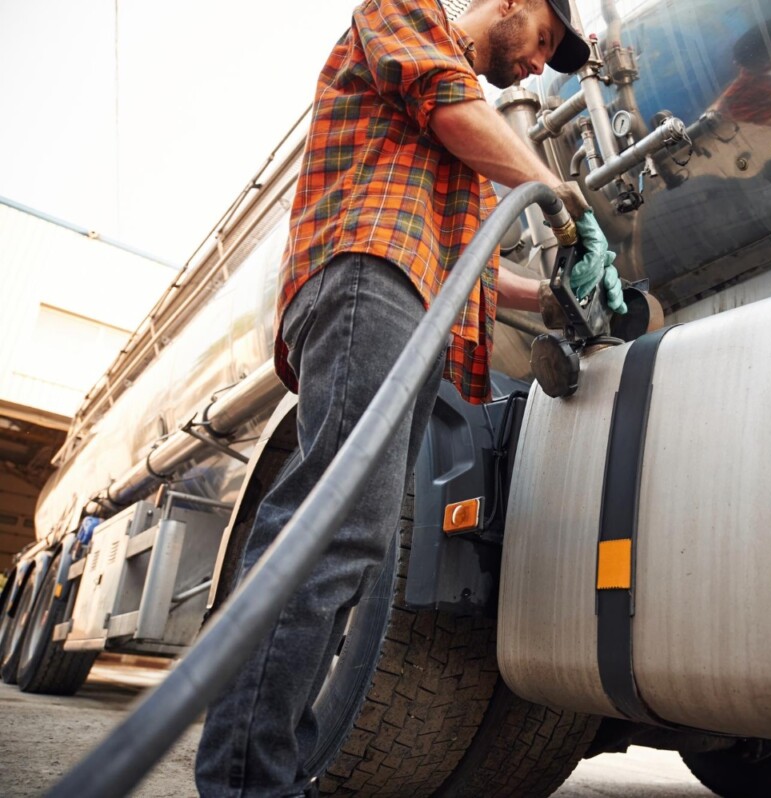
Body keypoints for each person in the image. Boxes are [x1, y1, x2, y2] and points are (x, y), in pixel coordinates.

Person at [194, 0, 622, 794]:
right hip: (368, 275)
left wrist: (550, 301)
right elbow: (455, 118)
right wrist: (567, 207)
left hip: (408, 293)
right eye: (544, 43)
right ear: (517, 4)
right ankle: (247, 781)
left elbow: (469, 263)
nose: (537, 66)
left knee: (358, 548)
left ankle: (266, 769)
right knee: (334, 525)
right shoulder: (408, 13)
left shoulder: (459, 120)